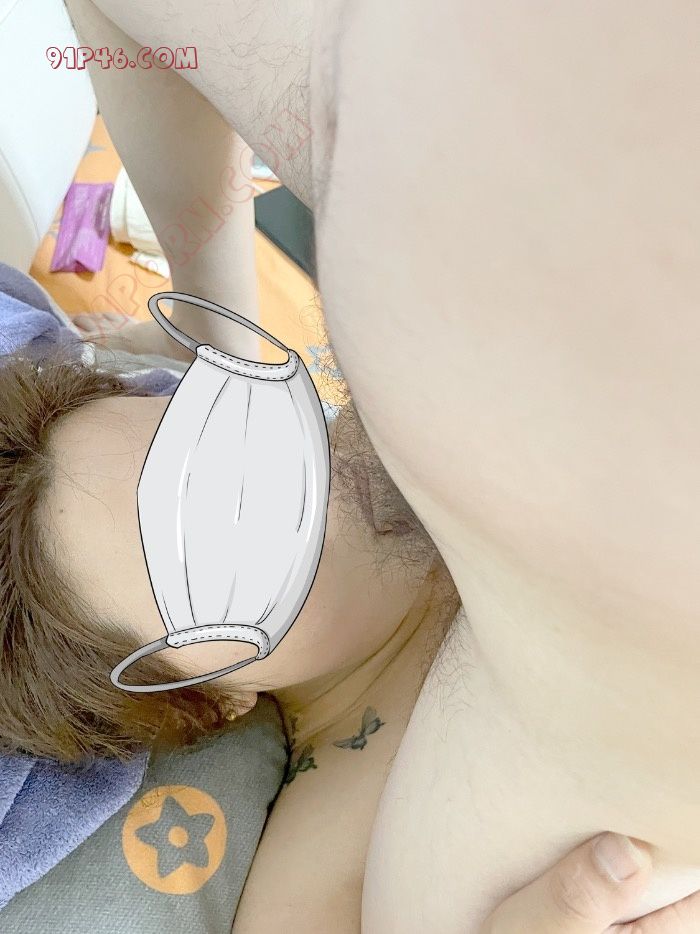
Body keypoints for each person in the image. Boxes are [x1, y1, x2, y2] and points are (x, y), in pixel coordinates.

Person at [25, 0, 700, 930]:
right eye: (215, 532)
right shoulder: (346, 836)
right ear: (214, 701)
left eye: (212, 418)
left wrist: (216, 322)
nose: (293, 472)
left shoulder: (400, 377)